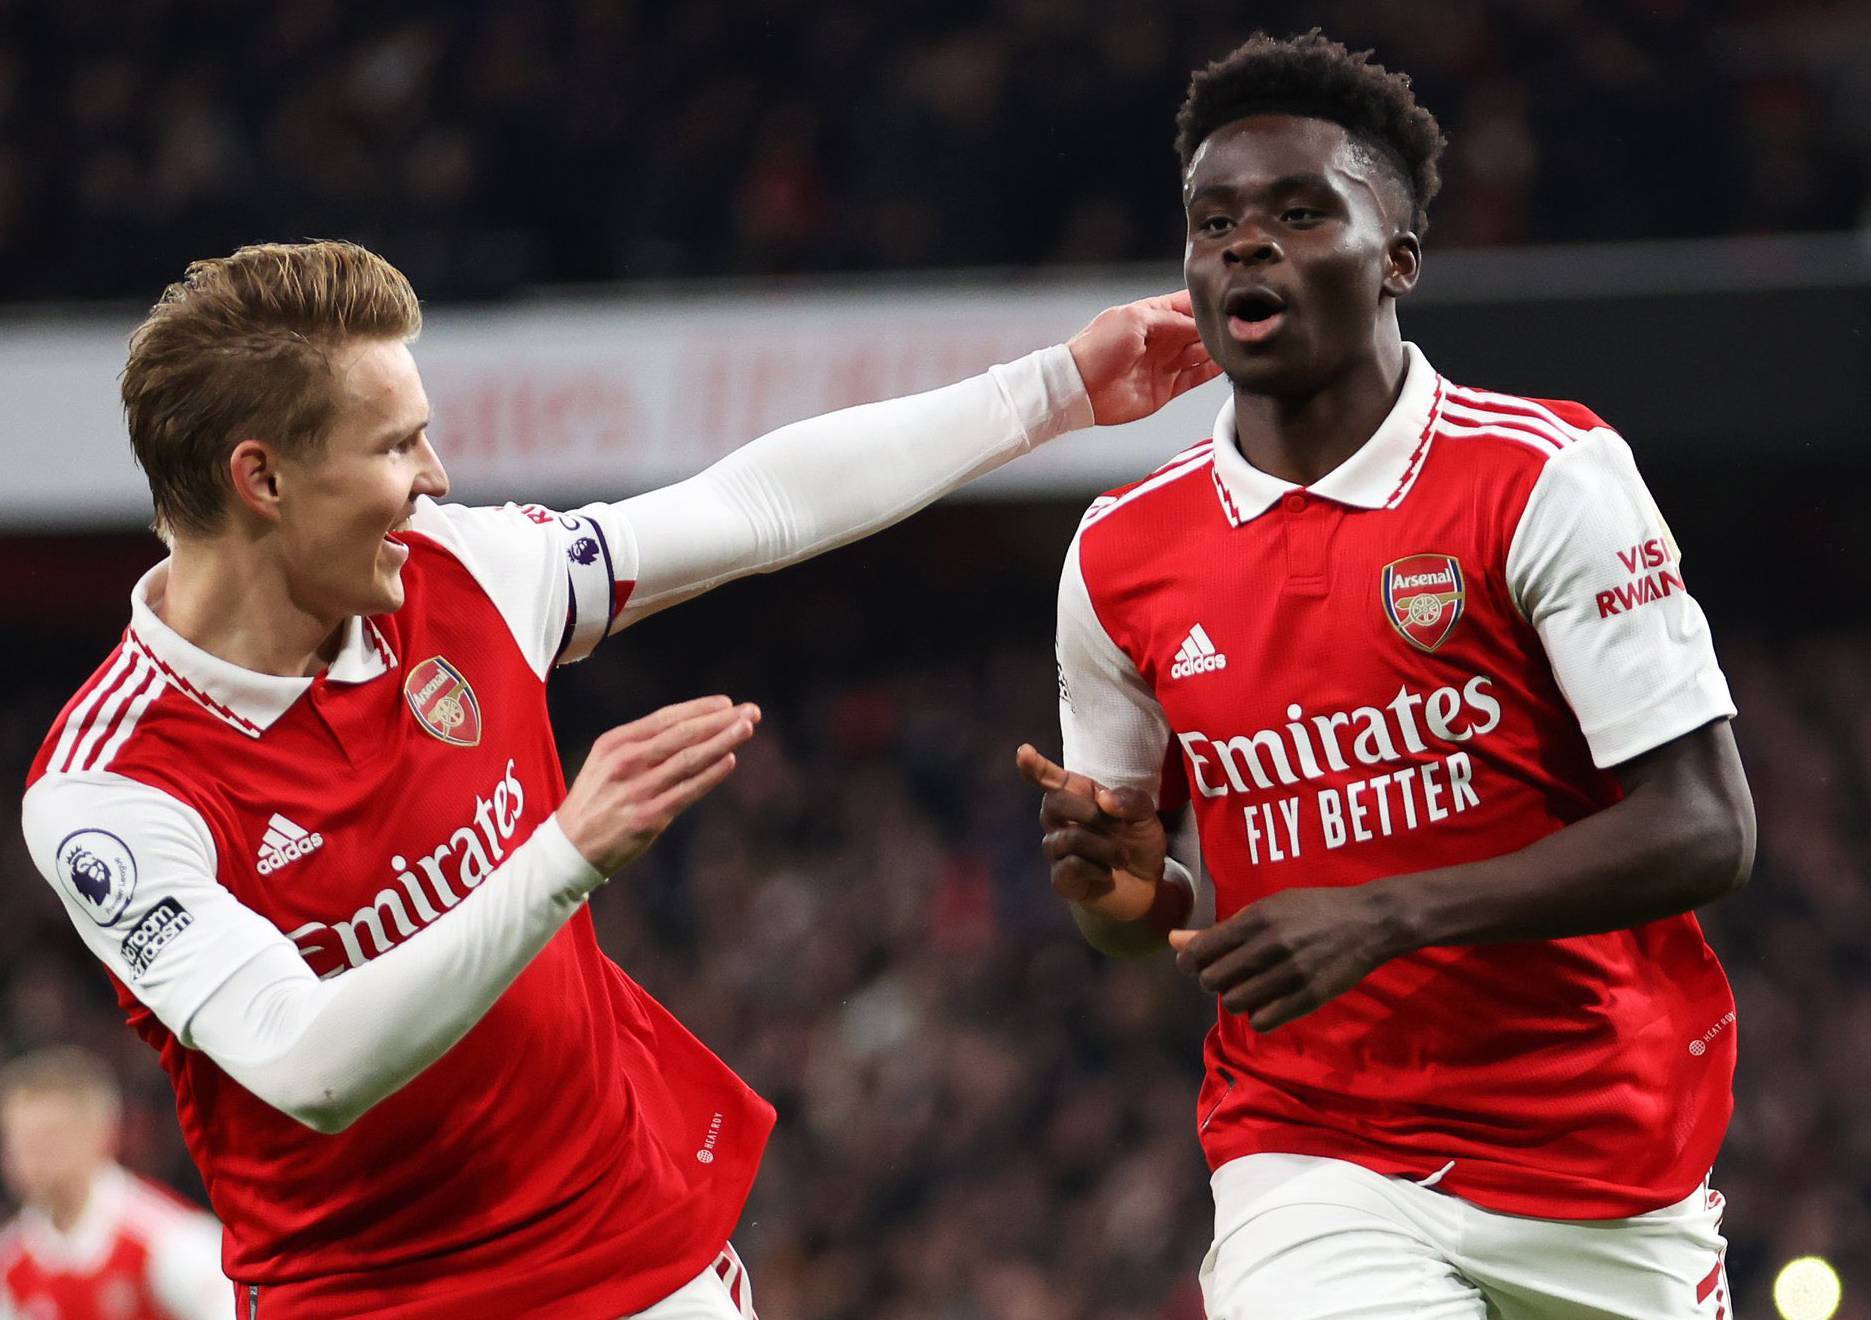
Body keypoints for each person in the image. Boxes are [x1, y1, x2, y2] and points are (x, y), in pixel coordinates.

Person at [19, 239, 1216, 1319]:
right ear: (263, 479)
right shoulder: (111, 794)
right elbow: (309, 1064)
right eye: (394, 445)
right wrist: (562, 854)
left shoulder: (463, 576)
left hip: (635, 1264)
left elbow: (753, 507)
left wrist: (1057, 387)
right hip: (371, 1299)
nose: (436, 475)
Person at [1019, 30, 1756, 1319]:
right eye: (1213, 222)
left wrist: (1388, 914)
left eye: (1300, 214)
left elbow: (1708, 827)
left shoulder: (1543, 478)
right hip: (1310, 1152)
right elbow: (1140, 916)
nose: (1246, 246)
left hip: (1604, 1149)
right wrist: (1121, 893)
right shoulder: (1119, 553)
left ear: (1398, 257)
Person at [1, 1046, 231, 1320]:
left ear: (102, 1134)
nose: (31, 1155)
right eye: (19, 1140)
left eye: (48, 1137)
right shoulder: (10, 1260)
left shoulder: (167, 1238)